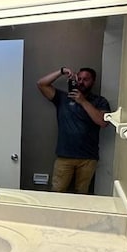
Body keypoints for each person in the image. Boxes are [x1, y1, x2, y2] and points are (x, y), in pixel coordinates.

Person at [37, 66, 111, 194]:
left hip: (88, 158)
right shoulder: (63, 98)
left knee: (81, 194)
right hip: (64, 156)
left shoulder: (100, 101)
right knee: (57, 192)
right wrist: (61, 71)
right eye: (79, 78)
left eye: (86, 79)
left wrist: (82, 101)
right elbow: (41, 84)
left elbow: (103, 122)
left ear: (93, 81)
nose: (81, 82)